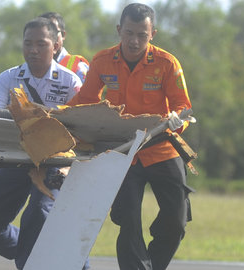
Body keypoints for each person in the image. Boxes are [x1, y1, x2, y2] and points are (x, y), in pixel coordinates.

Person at [66, 3, 193, 270]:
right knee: (128, 220)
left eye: (142, 35)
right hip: (123, 151)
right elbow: (85, 102)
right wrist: (58, 117)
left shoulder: (167, 63)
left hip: (161, 147)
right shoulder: (102, 61)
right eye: (129, 33)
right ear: (119, 31)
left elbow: (183, 106)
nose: (135, 41)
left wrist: (175, 119)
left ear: (152, 34)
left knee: (176, 221)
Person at [0, 17, 86, 270]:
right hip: (17, 156)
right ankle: (45, 255)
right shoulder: (8, 78)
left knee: (38, 214)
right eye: (28, 44)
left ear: (56, 46)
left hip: (54, 161)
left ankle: (38, 262)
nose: (33, 50)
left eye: (41, 44)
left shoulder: (71, 82)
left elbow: (82, 124)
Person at [39, 12, 89, 82]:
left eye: (53, 32)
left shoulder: (78, 66)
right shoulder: (32, 66)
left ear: (63, 35)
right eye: (42, 33)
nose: (48, 37)